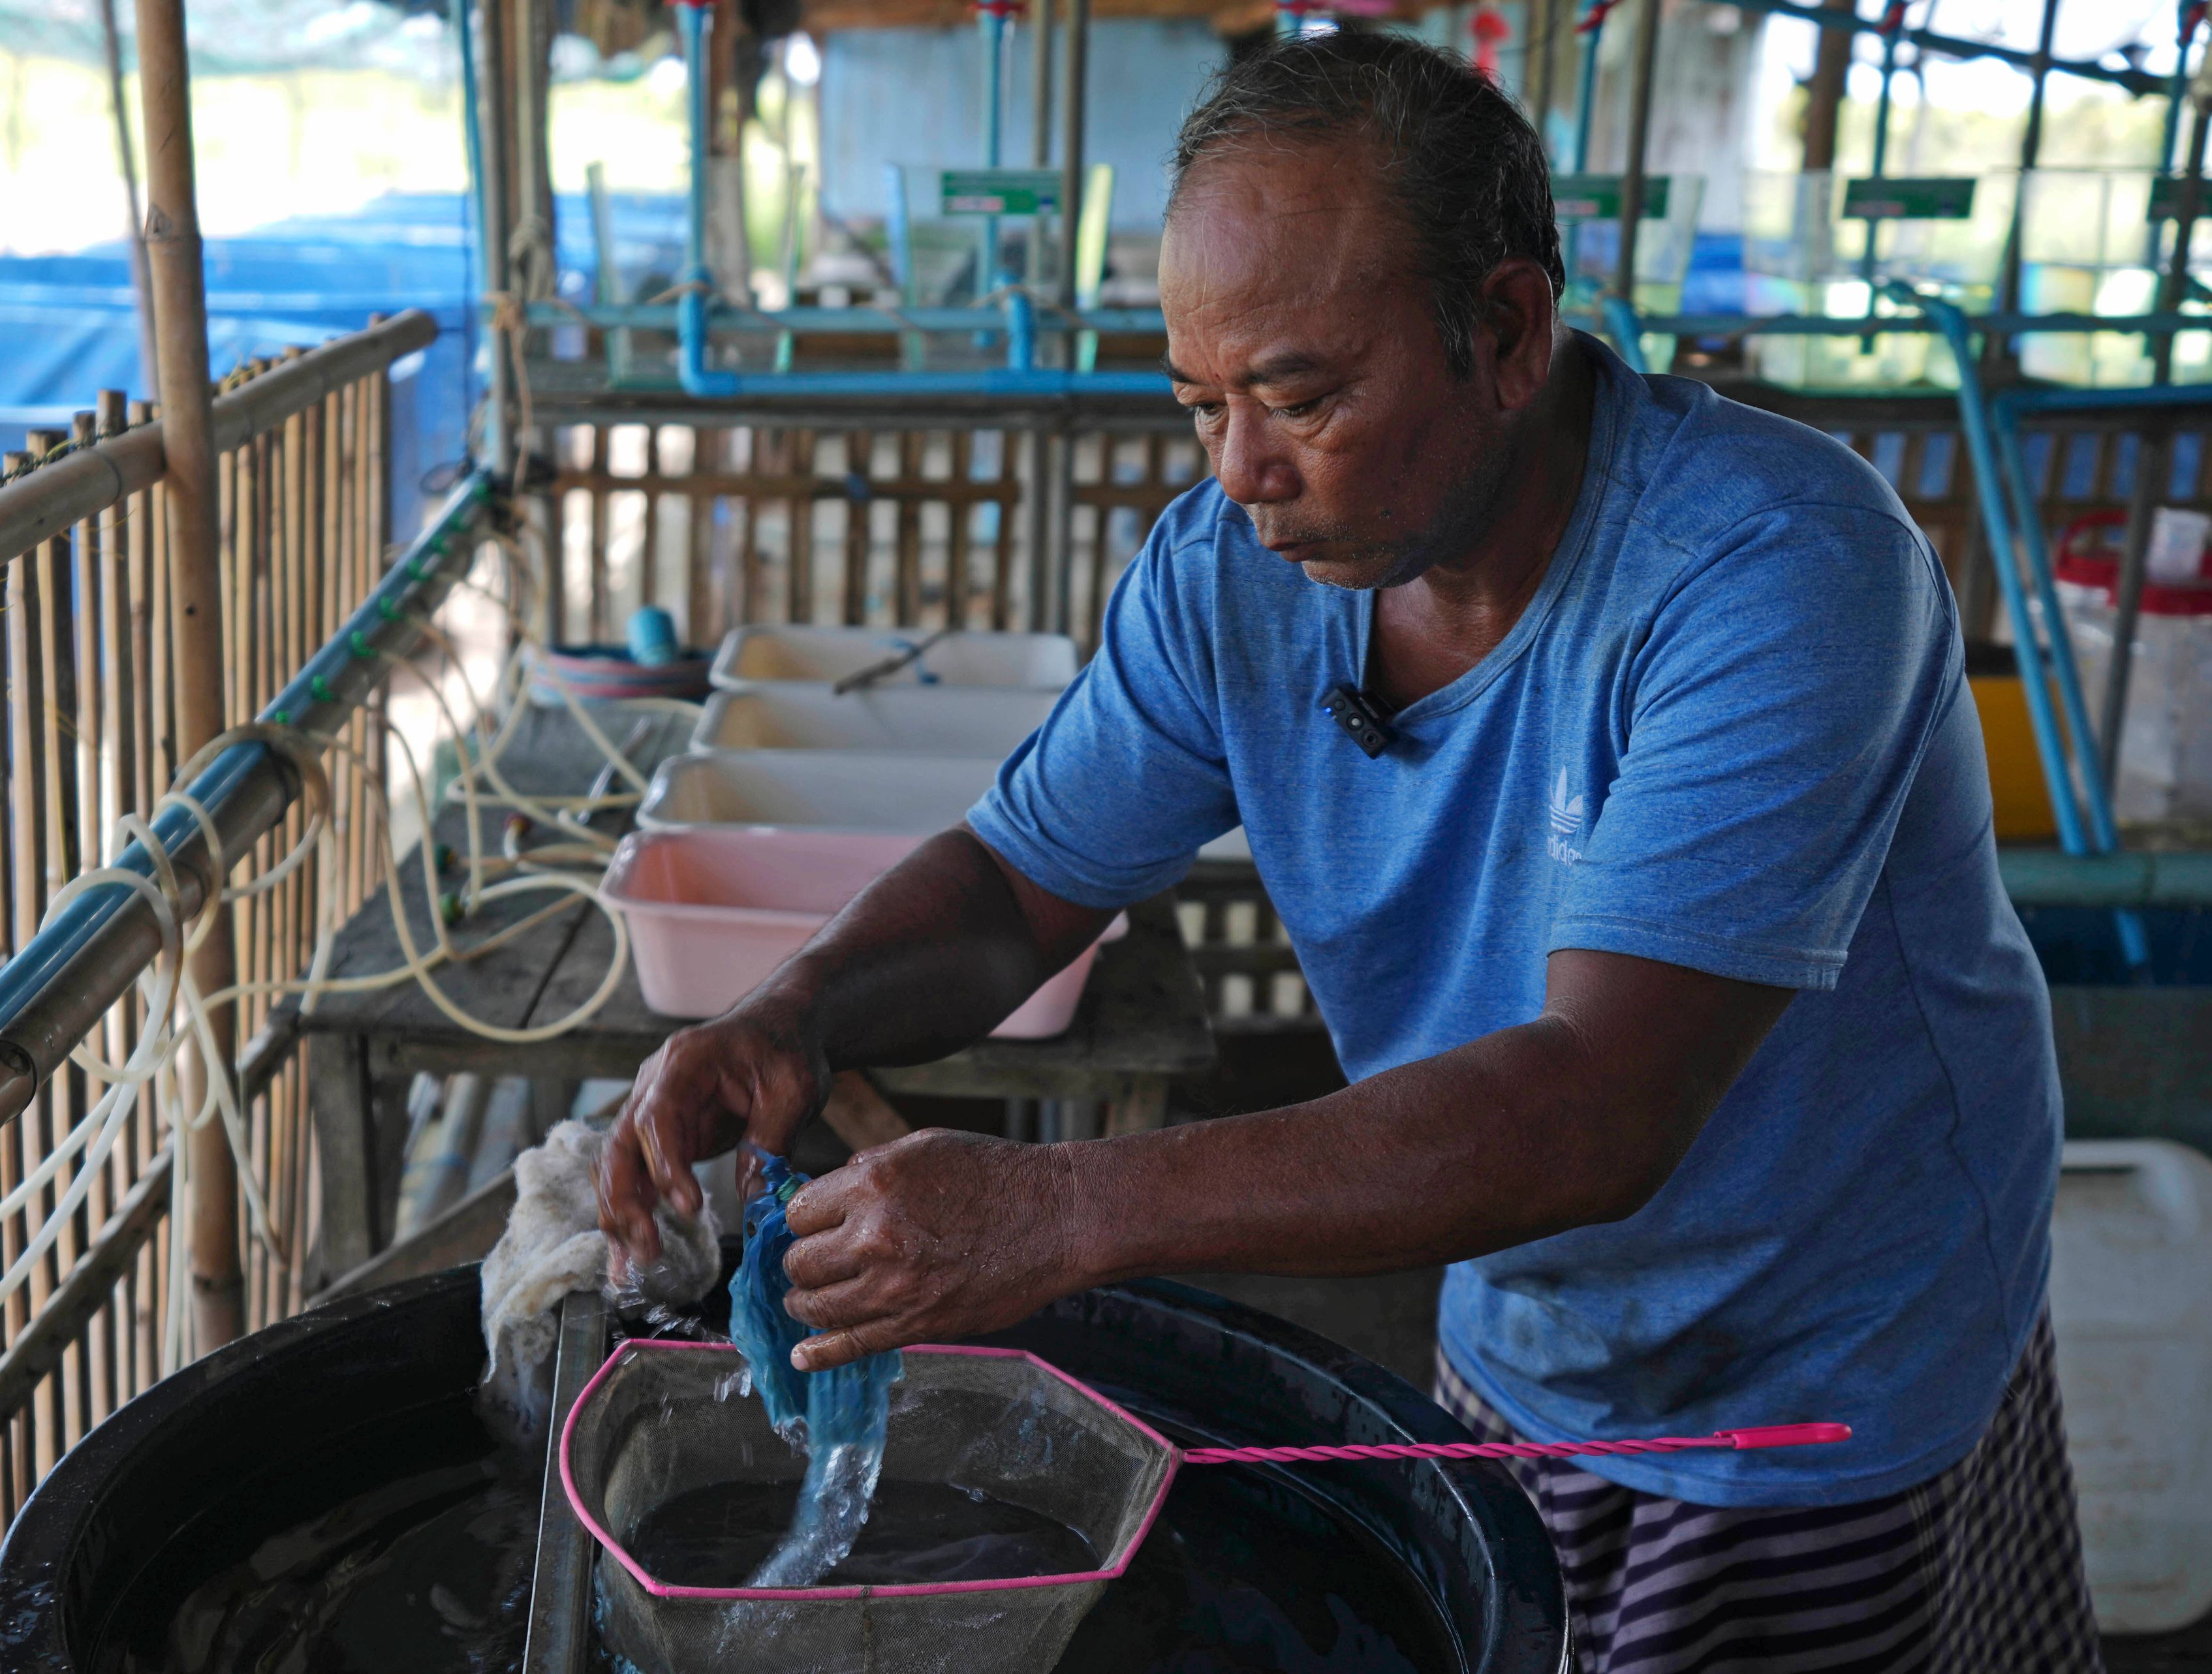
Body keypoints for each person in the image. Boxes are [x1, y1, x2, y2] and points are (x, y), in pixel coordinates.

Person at [600, 32, 2102, 1673]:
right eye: (1201, 404)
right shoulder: (1234, 577)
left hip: (1820, 1349)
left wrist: (1060, 1205)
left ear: (1510, 330)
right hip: (1525, 1303)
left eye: (1303, 397)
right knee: (1515, 1624)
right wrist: (794, 1012)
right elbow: (1019, 880)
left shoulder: (1775, 575)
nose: (1240, 472)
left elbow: (1592, 1107)